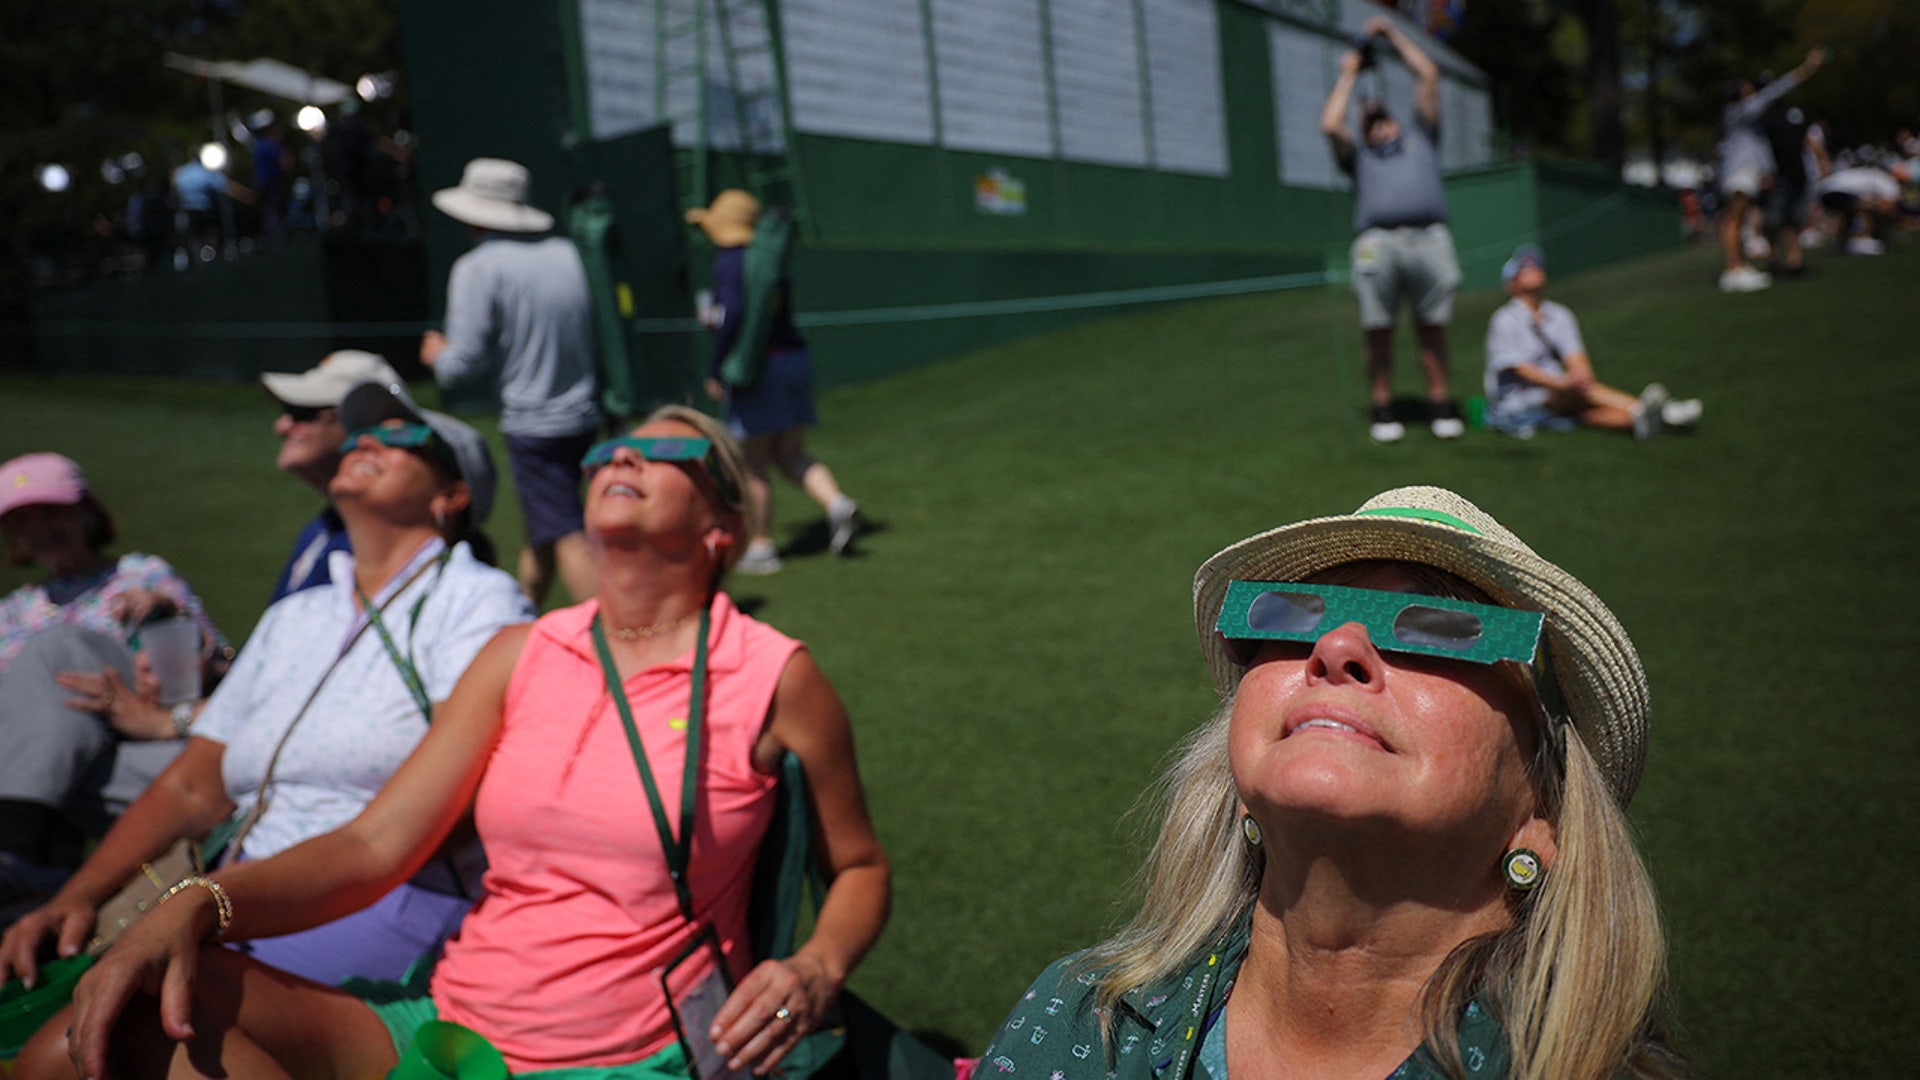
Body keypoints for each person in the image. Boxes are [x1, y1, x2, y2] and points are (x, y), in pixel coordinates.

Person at [42, 404, 891, 1080]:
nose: (621, 457)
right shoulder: (520, 655)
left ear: (723, 527)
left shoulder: (771, 675)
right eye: (610, 451)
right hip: (449, 1022)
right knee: (115, 1023)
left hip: (626, 1054)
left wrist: (817, 966)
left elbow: (860, 866)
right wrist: (196, 900)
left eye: (664, 452)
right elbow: (376, 844)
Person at [980, 486, 1697, 1080]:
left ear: (1544, 811)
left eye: (1440, 627)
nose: (1337, 646)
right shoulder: (1082, 1018)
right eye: (1295, 616)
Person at [0, 384, 533, 997]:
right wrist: (77, 897)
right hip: (234, 881)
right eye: (361, 435)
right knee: (60, 1017)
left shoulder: (477, 602)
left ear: (452, 495)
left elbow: (448, 811)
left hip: (379, 895)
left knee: (129, 1014)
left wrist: (221, 901)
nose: (367, 442)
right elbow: (192, 785)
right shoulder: (297, 616)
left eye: (402, 437)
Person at [0, 454, 223, 899]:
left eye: (51, 512)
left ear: (87, 512)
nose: (39, 528)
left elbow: (213, 665)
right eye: (23, 520)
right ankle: (34, 865)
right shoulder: (13, 611)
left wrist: (166, 618)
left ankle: (18, 844)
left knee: (56, 646)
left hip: (148, 727)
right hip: (83, 764)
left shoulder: (139, 575)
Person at [421, 156, 601, 607]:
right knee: (545, 527)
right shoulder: (566, 254)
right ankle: (524, 611)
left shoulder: (477, 267)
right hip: (584, 416)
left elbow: (461, 365)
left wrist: (437, 355)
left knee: (565, 532)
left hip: (534, 423)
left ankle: (612, 638)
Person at [689, 189, 862, 574]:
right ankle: (837, 504)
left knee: (753, 463)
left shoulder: (732, 261)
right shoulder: (768, 258)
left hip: (760, 370)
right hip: (794, 361)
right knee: (791, 453)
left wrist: (717, 369)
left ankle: (762, 548)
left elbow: (732, 316)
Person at [1319, 16, 1466, 444]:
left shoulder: (1422, 135)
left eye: (1380, 115)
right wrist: (1349, 73)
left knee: (1432, 326)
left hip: (1429, 239)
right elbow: (1330, 125)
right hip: (1377, 243)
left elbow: (1429, 74)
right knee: (1378, 329)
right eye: (1366, 119)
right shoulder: (1359, 156)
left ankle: (1439, 405)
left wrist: (1392, 34)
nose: (1374, 118)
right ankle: (1383, 410)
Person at [1484, 245, 1702, 439]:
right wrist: (1563, 384)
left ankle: (1642, 419)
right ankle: (1667, 413)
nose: (1534, 269)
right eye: (1524, 267)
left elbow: (1576, 358)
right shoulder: (1504, 320)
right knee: (1580, 394)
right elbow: (1519, 368)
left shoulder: (1560, 315)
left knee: (1588, 413)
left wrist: (1580, 376)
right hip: (1520, 401)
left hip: (1564, 392)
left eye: (1536, 265)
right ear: (1511, 283)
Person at [259, 348, 407, 602]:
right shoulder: (325, 526)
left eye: (302, 413)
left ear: (362, 427)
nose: (282, 426)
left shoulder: (386, 543)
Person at [1717, 48, 1826, 292]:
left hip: (1745, 171)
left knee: (1739, 219)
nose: (1753, 92)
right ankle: (1733, 269)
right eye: (1747, 88)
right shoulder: (1742, 110)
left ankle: (1738, 266)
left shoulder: (1742, 115)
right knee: (1734, 219)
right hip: (1741, 171)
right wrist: (1807, 67)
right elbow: (1776, 90)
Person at [1815, 161, 1908, 255]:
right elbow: (1888, 207)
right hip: (1837, 191)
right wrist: (1902, 221)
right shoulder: (1890, 184)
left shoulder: (1878, 176)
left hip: (1825, 191)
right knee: (1868, 209)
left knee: (1851, 213)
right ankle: (1863, 240)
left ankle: (1842, 243)